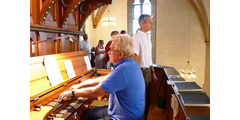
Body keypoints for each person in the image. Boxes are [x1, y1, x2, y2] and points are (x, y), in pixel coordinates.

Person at [58, 34, 145, 120]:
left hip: (123, 117)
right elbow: (103, 78)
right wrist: (80, 85)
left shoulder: (123, 69)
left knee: (83, 116)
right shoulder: (131, 64)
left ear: (120, 54)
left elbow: (96, 92)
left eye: (111, 50)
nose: (108, 52)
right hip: (128, 112)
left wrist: (73, 93)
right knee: (85, 113)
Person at [132, 14, 158, 120]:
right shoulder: (136, 37)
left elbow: (149, 57)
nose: (152, 24)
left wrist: (153, 72)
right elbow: (135, 56)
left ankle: (145, 117)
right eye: (150, 22)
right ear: (142, 23)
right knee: (140, 100)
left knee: (148, 99)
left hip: (148, 72)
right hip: (141, 72)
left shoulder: (147, 37)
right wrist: (137, 74)